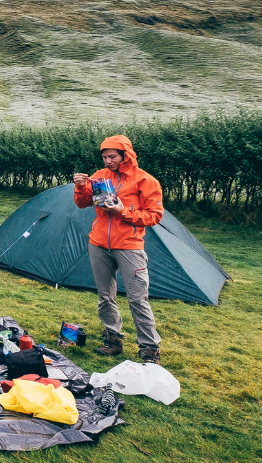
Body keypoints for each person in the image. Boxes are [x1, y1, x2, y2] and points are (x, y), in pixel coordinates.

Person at [73, 135, 164, 364]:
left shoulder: (146, 181)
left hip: (129, 246)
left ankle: (149, 349)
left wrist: (123, 211)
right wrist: (81, 186)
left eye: (112, 156)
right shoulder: (100, 176)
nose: (107, 161)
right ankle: (113, 339)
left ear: (126, 154)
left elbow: (154, 216)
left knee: (137, 299)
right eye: (104, 157)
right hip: (99, 243)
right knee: (105, 296)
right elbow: (83, 203)